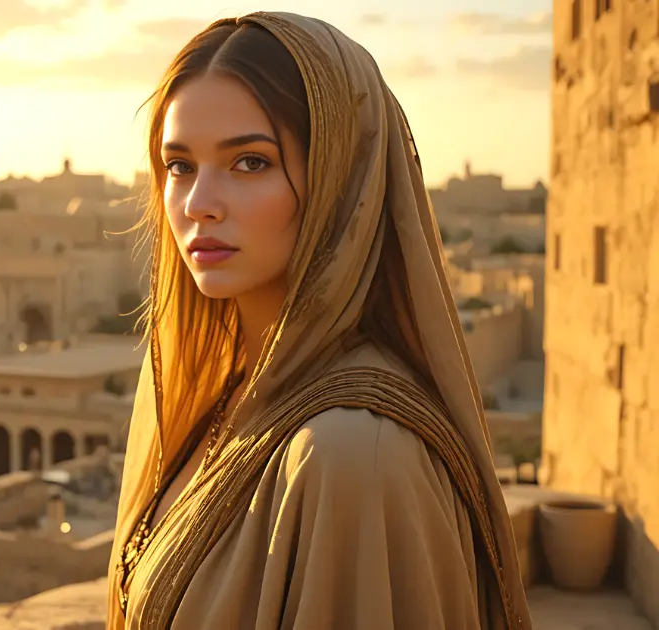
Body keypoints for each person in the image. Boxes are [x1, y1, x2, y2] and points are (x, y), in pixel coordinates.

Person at [107, 12, 531, 630]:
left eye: (250, 162)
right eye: (180, 166)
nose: (199, 204)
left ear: (341, 181)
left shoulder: (356, 454)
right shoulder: (234, 395)